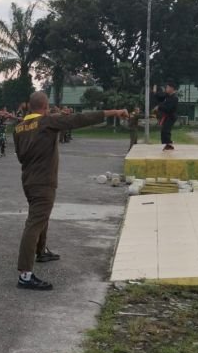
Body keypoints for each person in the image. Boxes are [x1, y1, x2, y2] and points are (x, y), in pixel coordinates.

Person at [13, 91, 128, 291]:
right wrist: (114, 112)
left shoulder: (19, 127)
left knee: (41, 216)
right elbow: (80, 118)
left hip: (29, 179)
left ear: (30, 106)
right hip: (44, 181)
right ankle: (25, 274)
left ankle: (41, 252)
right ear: (45, 106)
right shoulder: (47, 122)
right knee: (35, 222)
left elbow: (20, 156)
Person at [154, 82, 179, 151]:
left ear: (171, 88)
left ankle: (169, 144)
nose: (166, 89)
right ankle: (168, 144)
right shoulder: (167, 95)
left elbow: (168, 108)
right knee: (164, 131)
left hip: (171, 116)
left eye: (167, 87)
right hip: (167, 116)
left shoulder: (174, 98)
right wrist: (155, 92)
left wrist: (159, 107)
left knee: (166, 130)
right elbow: (160, 97)